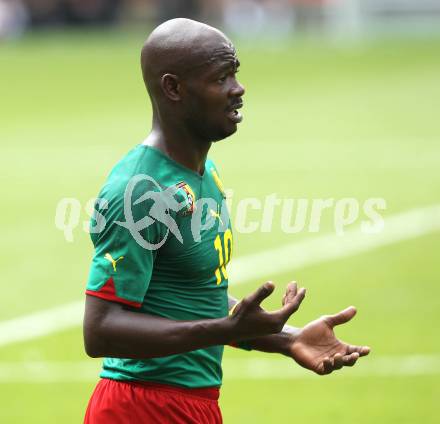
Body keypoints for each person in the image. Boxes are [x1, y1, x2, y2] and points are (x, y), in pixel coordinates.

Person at [83, 18, 370, 424]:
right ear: (173, 88)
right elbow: (101, 332)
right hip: (141, 408)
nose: (238, 88)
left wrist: (288, 339)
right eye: (221, 77)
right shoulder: (140, 192)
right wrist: (225, 329)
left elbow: (194, 298)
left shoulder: (204, 172)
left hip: (191, 404)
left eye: (235, 73)